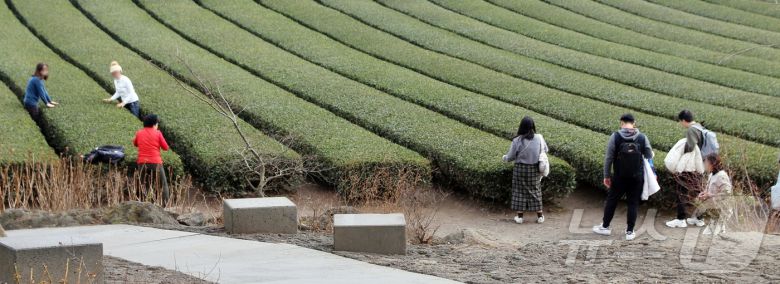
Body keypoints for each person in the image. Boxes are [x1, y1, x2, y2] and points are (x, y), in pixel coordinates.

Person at [593, 114, 653, 241]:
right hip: (637, 176)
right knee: (633, 203)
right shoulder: (642, 137)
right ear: (634, 123)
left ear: (621, 123)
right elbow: (648, 155)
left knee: (612, 200)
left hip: (619, 176)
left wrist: (606, 176)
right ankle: (630, 231)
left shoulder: (615, 136)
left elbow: (608, 158)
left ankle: (605, 227)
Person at [503, 116, 549, 224]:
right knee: (535, 191)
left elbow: (510, 157)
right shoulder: (539, 138)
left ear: (521, 127)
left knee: (519, 192)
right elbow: (545, 150)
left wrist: (504, 157)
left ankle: (519, 217)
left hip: (520, 169)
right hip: (534, 169)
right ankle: (540, 216)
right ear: (533, 126)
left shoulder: (517, 140)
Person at [666, 110, 706, 228]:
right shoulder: (700, 128)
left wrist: (679, 166)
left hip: (689, 167)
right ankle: (699, 219)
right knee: (699, 192)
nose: (681, 124)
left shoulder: (691, 130)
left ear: (683, 120)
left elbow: (689, 149)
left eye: (680, 122)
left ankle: (681, 219)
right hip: (700, 166)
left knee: (681, 193)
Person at [690, 154, 733, 235]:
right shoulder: (711, 175)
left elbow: (727, 193)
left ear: (712, 163)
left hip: (723, 210)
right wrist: (703, 194)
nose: (704, 165)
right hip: (715, 210)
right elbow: (709, 190)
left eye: (706, 162)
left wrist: (709, 195)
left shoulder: (721, 175)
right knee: (713, 233)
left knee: (709, 234)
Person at [133, 115, 170, 204]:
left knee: (142, 184)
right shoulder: (158, 133)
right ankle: (165, 204)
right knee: (163, 184)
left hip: (142, 163)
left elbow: (135, 143)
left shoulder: (139, 133)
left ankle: (140, 204)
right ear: (154, 124)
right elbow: (166, 147)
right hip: (156, 163)